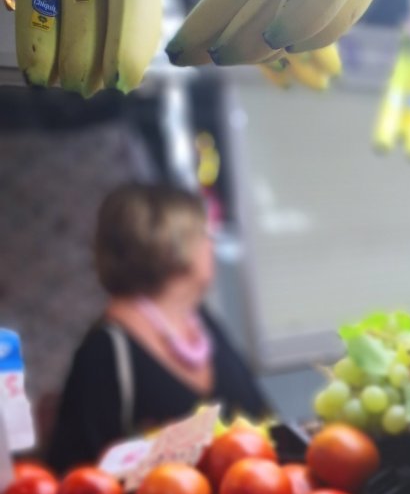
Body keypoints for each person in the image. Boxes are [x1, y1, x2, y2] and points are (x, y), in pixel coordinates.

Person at [47, 183, 269, 471]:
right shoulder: (106, 352)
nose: (211, 245)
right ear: (172, 244)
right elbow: (78, 476)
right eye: (204, 234)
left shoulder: (202, 322)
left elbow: (263, 418)